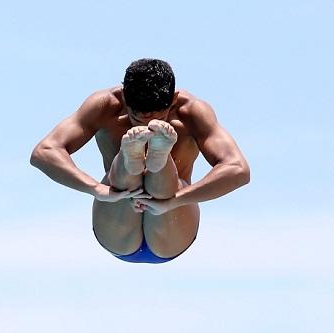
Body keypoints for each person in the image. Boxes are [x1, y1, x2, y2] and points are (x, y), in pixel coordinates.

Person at [30, 58, 250, 264]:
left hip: (172, 219)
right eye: (137, 118)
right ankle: (134, 157)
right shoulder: (105, 106)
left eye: (159, 118)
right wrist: (95, 188)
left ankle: (158, 159)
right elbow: (44, 152)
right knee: (124, 169)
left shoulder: (191, 112)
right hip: (119, 212)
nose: (147, 125)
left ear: (173, 99)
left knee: (164, 178)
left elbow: (238, 169)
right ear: (124, 97)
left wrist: (175, 201)